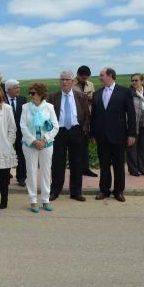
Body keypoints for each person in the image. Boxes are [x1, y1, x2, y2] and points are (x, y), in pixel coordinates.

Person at [91, 68, 136, 202]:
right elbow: (94, 116)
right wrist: (93, 134)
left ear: (110, 76)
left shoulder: (124, 91)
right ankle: (104, 190)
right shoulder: (97, 93)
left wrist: (132, 134)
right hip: (102, 137)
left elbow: (131, 114)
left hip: (119, 136)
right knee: (104, 166)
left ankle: (118, 191)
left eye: (102, 75)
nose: (99, 77)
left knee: (118, 166)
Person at [48, 70, 90, 202]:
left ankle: (76, 192)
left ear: (72, 82)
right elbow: (47, 116)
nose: (65, 82)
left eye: (67, 80)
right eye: (62, 79)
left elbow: (87, 116)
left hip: (76, 132)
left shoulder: (81, 96)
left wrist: (84, 131)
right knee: (57, 163)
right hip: (59, 132)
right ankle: (55, 190)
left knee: (77, 163)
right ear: (60, 81)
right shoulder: (53, 96)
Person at [20, 83, 59, 213]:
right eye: (30, 93)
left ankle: (45, 199)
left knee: (46, 172)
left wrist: (44, 139)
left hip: (46, 145)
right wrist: (33, 141)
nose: (31, 96)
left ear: (41, 94)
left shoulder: (49, 108)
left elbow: (55, 126)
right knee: (31, 172)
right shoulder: (25, 108)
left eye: (33, 93)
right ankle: (33, 200)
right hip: (30, 145)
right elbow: (23, 126)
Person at [73, 65, 97, 177]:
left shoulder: (91, 85)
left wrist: (90, 98)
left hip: (88, 118)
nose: (84, 79)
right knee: (76, 145)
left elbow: (94, 100)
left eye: (86, 77)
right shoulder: (71, 84)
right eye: (82, 77)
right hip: (76, 119)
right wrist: (82, 98)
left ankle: (85, 169)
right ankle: (76, 169)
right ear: (78, 75)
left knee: (85, 145)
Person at [4, 79, 27, 186]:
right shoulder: (2, 100)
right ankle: (5, 177)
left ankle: (21, 178)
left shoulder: (23, 99)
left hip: (20, 133)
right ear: (8, 89)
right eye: (16, 87)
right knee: (6, 155)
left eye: (19, 87)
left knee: (21, 155)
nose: (19, 89)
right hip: (6, 134)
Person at [126, 73, 144, 176]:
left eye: (136, 80)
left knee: (142, 148)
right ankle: (133, 170)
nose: (134, 82)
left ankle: (142, 169)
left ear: (142, 81)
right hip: (133, 123)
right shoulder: (129, 93)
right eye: (133, 80)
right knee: (132, 148)